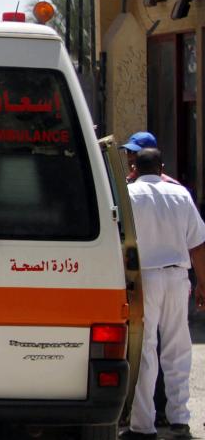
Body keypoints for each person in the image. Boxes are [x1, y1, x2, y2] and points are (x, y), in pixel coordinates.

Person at [121, 148, 205, 440]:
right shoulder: (181, 194)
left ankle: (143, 426)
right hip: (177, 278)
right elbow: (198, 244)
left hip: (144, 279)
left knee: (145, 350)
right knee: (177, 348)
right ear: (162, 168)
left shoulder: (128, 194)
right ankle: (179, 419)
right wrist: (203, 284)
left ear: (134, 168)